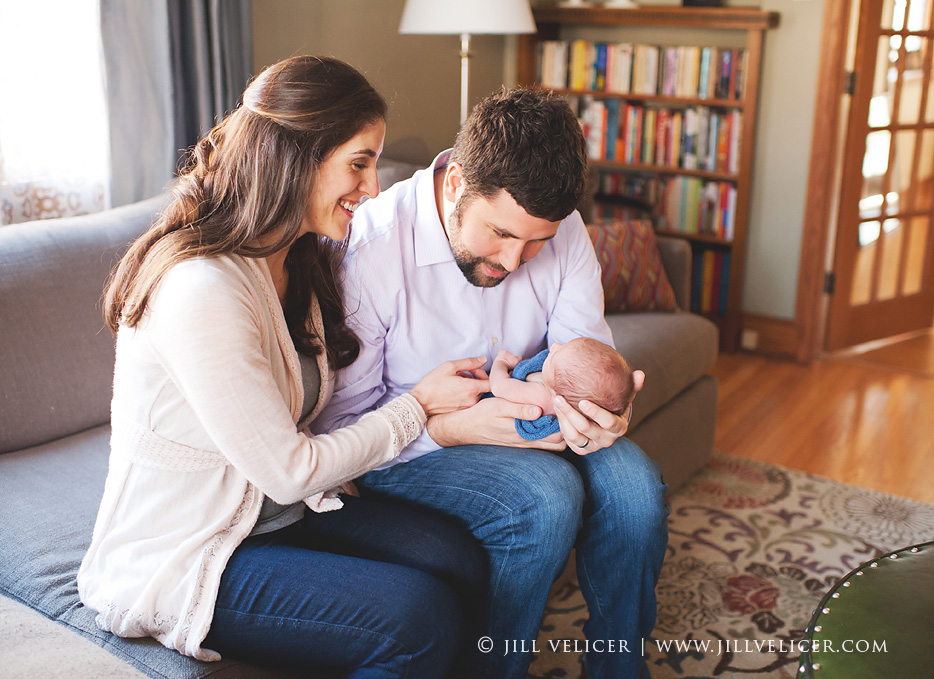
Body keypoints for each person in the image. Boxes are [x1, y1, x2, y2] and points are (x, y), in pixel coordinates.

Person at [77, 56, 491, 678]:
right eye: (358, 162)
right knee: (417, 616)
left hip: (271, 516)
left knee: (459, 558)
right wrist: (417, 410)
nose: (373, 187)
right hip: (189, 551)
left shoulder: (298, 259)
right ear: (294, 156)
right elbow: (292, 470)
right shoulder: (201, 288)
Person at [313, 87, 670, 679]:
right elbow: (342, 431)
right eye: (500, 233)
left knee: (635, 491)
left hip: (537, 409)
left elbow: (582, 352)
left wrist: (603, 412)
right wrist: (451, 430)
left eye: (537, 242)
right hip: (411, 444)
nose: (514, 260)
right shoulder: (371, 249)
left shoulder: (565, 229)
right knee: (545, 500)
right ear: (455, 184)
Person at [489, 338, 645, 441]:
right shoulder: (571, 393)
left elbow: (498, 386)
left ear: (557, 392)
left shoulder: (540, 394)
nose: (554, 346)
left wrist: (500, 362)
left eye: (555, 356)